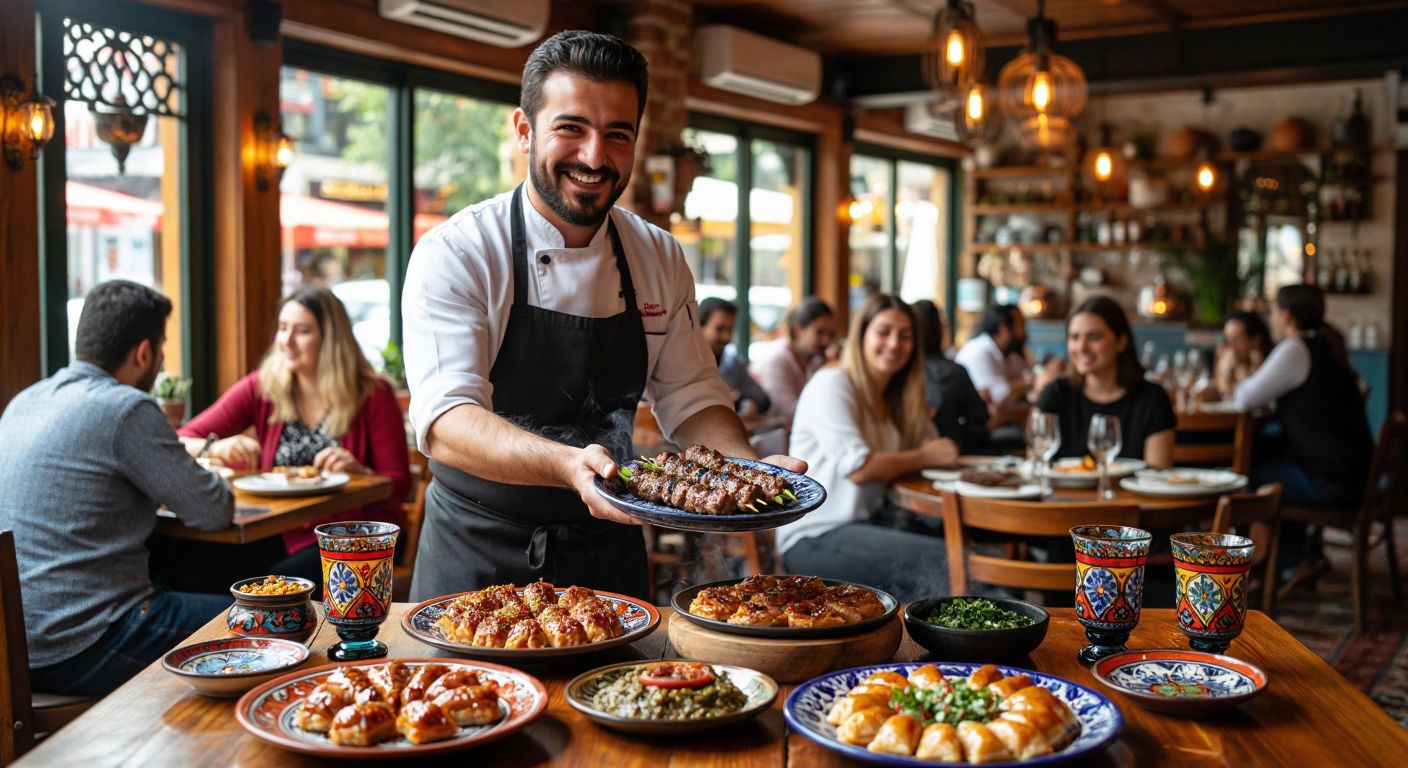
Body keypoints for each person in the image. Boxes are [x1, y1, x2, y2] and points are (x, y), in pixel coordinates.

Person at [400, 31, 803, 602]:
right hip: (477, 559)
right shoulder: (460, 251)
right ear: (523, 130)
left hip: (608, 554)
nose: (594, 157)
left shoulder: (657, 254)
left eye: (618, 134)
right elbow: (446, 422)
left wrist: (749, 474)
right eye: (571, 128)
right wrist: (569, 466)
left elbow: (692, 396)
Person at [0, 281, 234, 696]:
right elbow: (214, 510)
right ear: (143, 352)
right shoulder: (127, 408)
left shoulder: (25, 401)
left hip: (15, 648)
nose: (161, 361)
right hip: (86, 642)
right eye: (161, 350)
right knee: (277, 620)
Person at [168, 287, 411, 588]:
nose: (287, 341)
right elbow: (178, 439)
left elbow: (400, 483)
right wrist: (214, 446)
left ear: (331, 339)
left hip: (359, 538)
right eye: (283, 329)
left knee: (262, 587)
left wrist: (360, 472)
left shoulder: (373, 393)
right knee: (192, 565)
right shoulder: (263, 386)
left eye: (302, 331)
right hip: (283, 531)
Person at [778, 294, 960, 602]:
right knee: (950, 561)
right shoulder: (833, 383)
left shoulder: (895, 394)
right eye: (884, 332)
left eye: (905, 336)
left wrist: (930, 451)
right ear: (861, 335)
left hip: (870, 522)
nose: (894, 344)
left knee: (964, 548)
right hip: (815, 534)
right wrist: (927, 456)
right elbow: (859, 468)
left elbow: (932, 445)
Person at [1235, 285, 1371, 509]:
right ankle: (1291, 544)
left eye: (1274, 312)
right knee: (1262, 452)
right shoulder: (1326, 343)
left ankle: (1258, 543)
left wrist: (1231, 374)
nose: (1272, 319)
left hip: (1329, 482)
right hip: (1350, 475)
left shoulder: (1295, 349)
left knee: (1240, 477)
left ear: (1286, 316)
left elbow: (1244, 398)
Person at [1035, 296, 1175, 467]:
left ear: (1121, 342)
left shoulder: (1152, 399)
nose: (1081, 348)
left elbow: (1157, 474)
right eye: (1074, 337)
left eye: (1094, 337)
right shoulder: (1055, 394)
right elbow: (1036, 463)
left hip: (1129, 494)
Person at [911, 300, 991, 454]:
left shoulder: (901, 373)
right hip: (952, 454)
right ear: (939, 331)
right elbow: (980, 420)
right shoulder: (953, 372)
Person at [749, 296, 838, 425]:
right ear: (798, 330)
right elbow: (791, 412)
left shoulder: (817, 361)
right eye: (820, 333)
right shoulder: (777, 362)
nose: (826, 340)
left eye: (831, 334)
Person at [698, 297, 771, 415]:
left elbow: (763, 399)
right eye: (720, 329)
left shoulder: (731, 362)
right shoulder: (686, 365)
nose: (727, 337)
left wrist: (742, 400)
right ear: (699, 327)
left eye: (730, 329)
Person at [1212, 310, 1272, 400]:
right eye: (1226, 338)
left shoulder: (1270, 366)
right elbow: (1220, 390)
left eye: (1236, 339)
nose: (1229, 345)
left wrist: (1244, 372)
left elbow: (1249, 397)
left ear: (1256, 341)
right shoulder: (1226, 361)